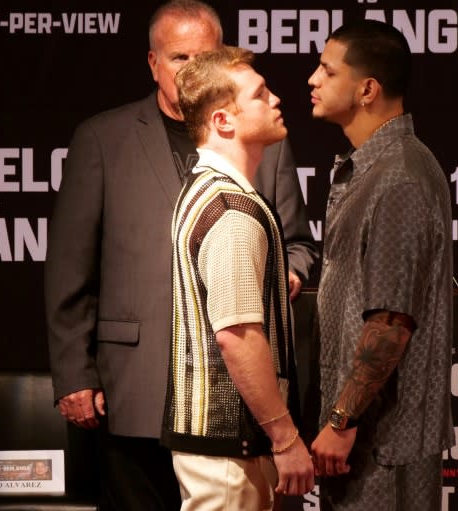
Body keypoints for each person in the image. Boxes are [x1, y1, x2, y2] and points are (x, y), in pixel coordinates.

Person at [44, 1, 316, 509]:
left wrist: (283, 276)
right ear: (153, 63)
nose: (193, 71)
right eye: (178, 58)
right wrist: (75, 373)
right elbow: (69, 266)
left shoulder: (264, 144)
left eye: (206, 56)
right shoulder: (103, 138)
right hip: (136, 383)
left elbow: (296, 244)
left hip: (227, 401)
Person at [307, 19, 454, 510]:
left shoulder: (400, 180)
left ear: (367, 89)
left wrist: (340, 420)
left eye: (327, 71)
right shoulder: (375, 170)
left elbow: (391, 322)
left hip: (382, 447)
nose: (312, 79)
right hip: (365, 443)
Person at [163, 45, 314, 510]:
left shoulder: (206, 190)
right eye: (260, 94)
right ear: (224, 121)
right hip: (232, 450)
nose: (275, 100)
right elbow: (237, 336)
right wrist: (286, 440)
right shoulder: (231, 210)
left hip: (222, 447)